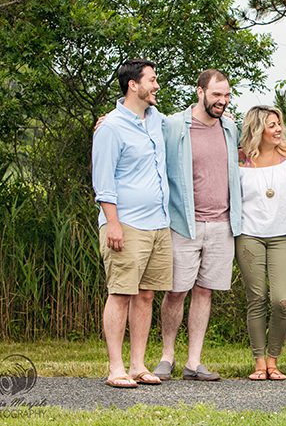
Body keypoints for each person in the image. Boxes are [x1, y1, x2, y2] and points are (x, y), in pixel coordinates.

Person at [152, 70, 241, 383]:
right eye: (217, 94)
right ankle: (167, 356)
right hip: (183, 224)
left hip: (222, 225)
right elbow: (141, 128)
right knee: (176, 292)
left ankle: (194, 361)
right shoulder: (174, 125)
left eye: (227, 95)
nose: (222, 101)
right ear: (200, 91)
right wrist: (108, 119)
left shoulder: (230, 127)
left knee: (205, 292)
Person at [92, 59, 171, 389]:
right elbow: (103, 180)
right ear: (132, 85)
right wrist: (113, 224)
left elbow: (192, 124)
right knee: (121, 293)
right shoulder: (110, 128)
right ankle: (116, 368)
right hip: (126, 223)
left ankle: (138, 365)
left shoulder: (157, 121)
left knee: (146, 295)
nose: (156, 85)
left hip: (158, 224)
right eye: (151, 80)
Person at [236, 105, 286, 381]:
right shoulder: (239, 160)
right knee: (257, 299)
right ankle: (260, 362)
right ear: (257, 128)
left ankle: (274, 359)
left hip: (282, 236)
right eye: (271, 125)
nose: (278, 130)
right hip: (249, 236)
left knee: (282, 301)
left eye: (279, 125)